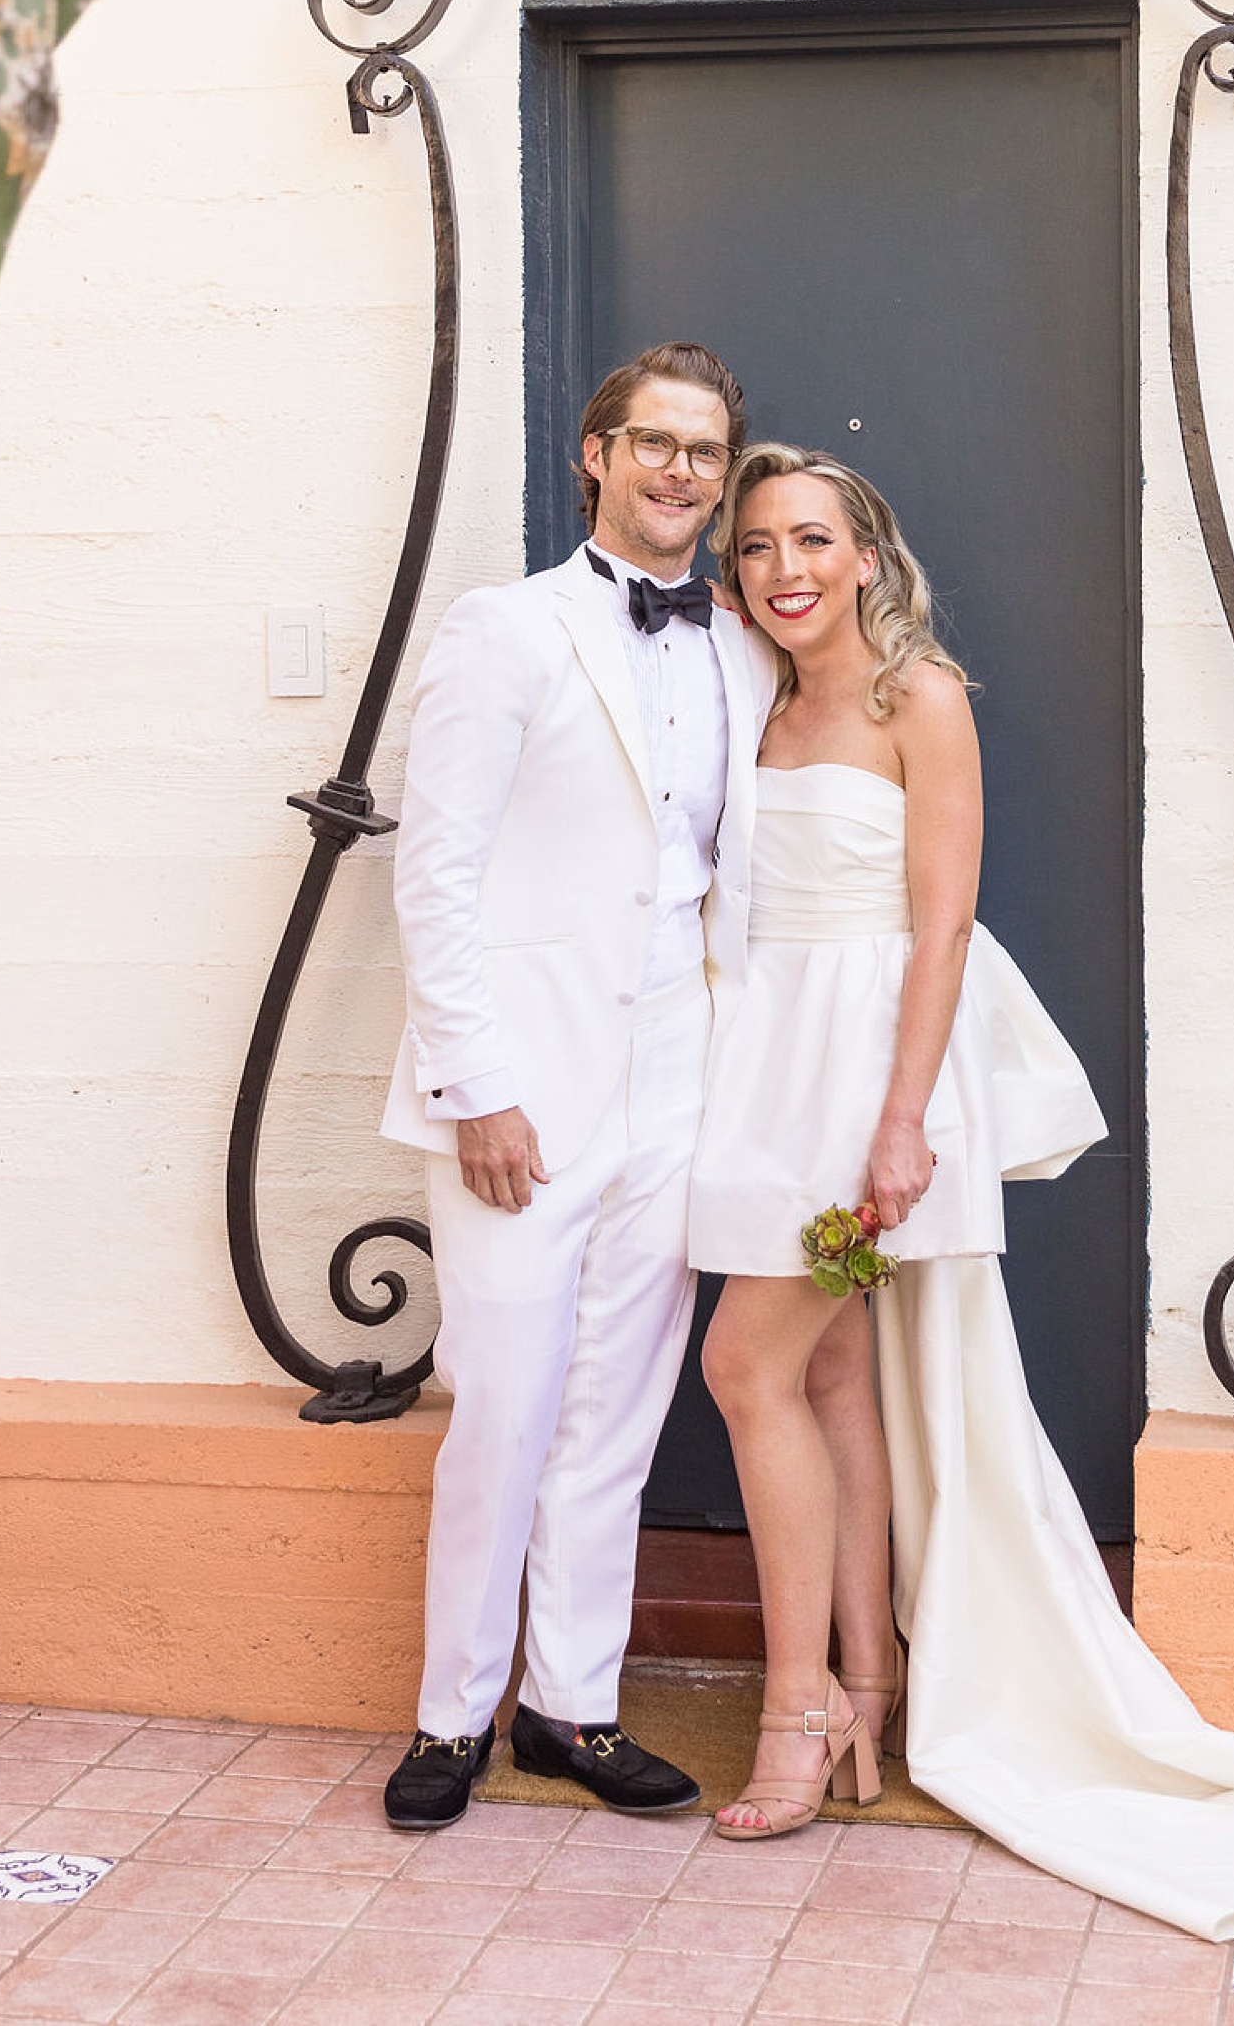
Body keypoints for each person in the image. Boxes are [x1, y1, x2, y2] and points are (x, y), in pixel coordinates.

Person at [691, 442, 1234, 1940]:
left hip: (868, 1078)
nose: (783, 567)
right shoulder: (755, 702)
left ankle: (799, 1708)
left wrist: (901, 1123)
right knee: (837, 1373)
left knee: (748, 1366)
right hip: (761, 1068)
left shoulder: (913, 700)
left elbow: (940, 931)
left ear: (868, 550)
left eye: (811, 538)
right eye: (754, 548)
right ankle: (872, 1681)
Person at [377, 342, 773, 1832]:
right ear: (594, 457)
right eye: (654, 442)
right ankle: (451, 1713)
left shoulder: (741, 645)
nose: (681, 470)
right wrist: (474, 1081)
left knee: (619, 1401)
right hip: (523, 1082)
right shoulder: (508, 628)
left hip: (681, 1064)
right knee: (505, 1400)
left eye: (705, 451)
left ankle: (573, 1705)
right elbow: (439, 866)